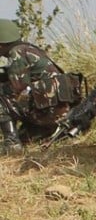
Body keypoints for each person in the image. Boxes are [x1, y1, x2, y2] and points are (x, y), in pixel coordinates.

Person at [0, 19, 81, 152]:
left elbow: (18, 89)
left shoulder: (16, 53)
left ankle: (11, 143)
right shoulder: (28, 49)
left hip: (47, 111)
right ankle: (35, 132)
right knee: (26, 138)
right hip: (58, 110)